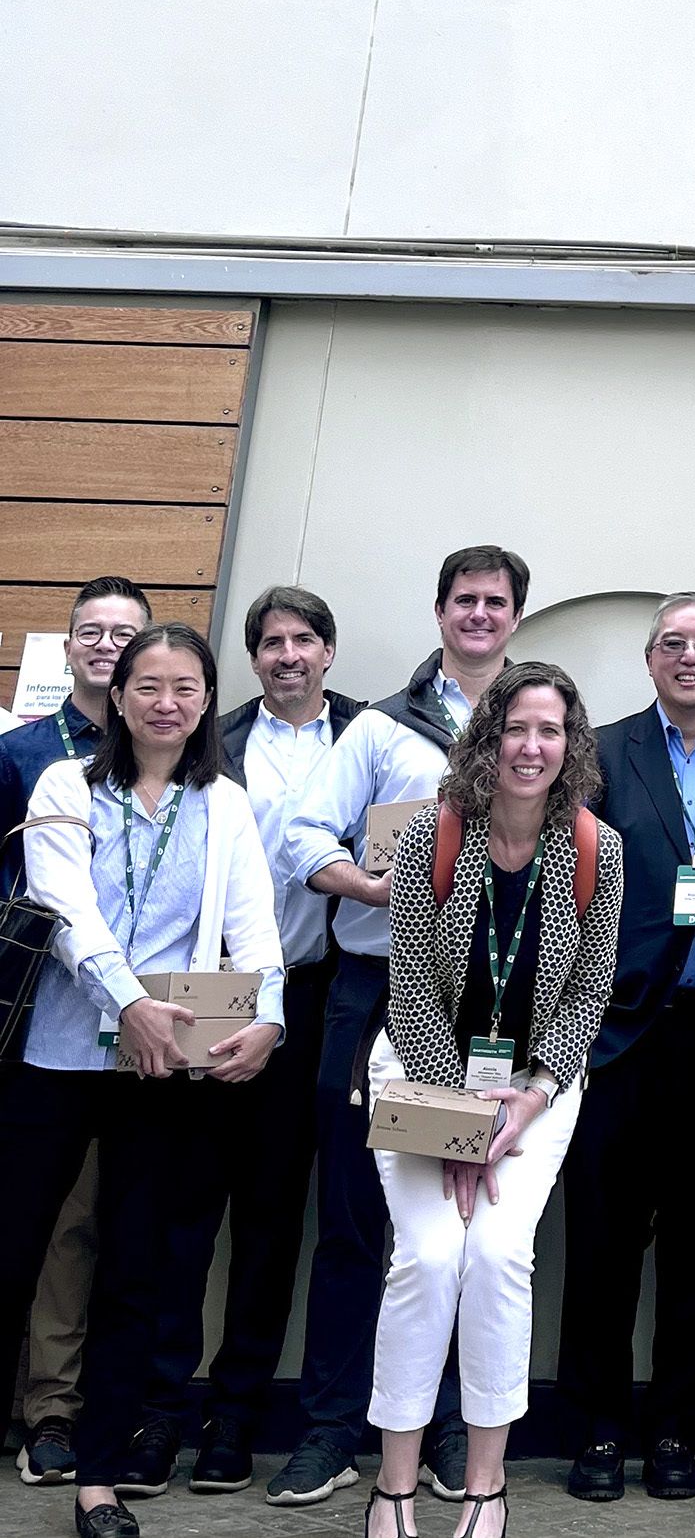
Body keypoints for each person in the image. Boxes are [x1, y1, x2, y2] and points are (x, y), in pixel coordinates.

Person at [0, 623, 284, 1538]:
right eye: (149, 685)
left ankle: (100, 1478)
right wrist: (129, 1000)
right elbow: (67, 908)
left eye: (187, 688)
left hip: (161, 1068)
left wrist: (270, 1018)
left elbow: (256, 924)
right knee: (13, 1251)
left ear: (206, 703)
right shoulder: (65, 784)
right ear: (116, 696)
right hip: (59, 1056)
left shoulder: (225, 804)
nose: (168, 702)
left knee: (136, 1271)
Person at [273, 546, 529, 1508]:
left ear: (514, 617)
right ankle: (336, 1425)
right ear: (438, 610)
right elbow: (305, 836)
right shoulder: (384, 725)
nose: (477, 613)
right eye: (463, 598)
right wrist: (374, 885)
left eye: (494, 601)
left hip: (489, 1007)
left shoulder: (538, 722)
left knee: (468, 1216)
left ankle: (454, 1425)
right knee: (355, 1213)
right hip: (378, 985)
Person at [364, 660, 622, 1538]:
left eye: (550, 730)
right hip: (421, 1076)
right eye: (516, 727)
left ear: (569, 744)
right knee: (430, 1258)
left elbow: (590, 992)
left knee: (501, 1257)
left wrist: (530, 1096)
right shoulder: (434, 834)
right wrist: (460, 1127)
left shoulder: (597, 846)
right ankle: (394, 1486)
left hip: (537, 1090)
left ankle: (485, 1484)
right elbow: (406, 990)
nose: (531, 745)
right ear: (489, 737)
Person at [117, 589, 365, 1497]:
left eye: (305, 638)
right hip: (196, 999)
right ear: (252, 658)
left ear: (330, 651)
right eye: (271, 642)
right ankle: (158, 1410)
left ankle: (236, 1412)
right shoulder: (208, 742)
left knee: (270, 1220)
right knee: (185, 1216)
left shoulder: (366, 739)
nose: (289, 654)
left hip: (306, 999)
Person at [559, 592, 695, 1502]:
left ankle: (676, 1431)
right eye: (674, 643)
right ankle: (601, 1429)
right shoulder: (601, 756)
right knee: (602, 1242)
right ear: (651, 658)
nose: (691, 657)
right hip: (616, 1034)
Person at [1, 578, 151, 1493]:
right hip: (31, 1011)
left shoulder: (168, 755)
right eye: (89, 632)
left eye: (121, 633)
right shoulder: (22, 752)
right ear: (67, 648)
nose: (104, 645)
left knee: (86, 1226)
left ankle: (54, 1409)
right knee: (28, 1220)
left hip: (133, 1028)